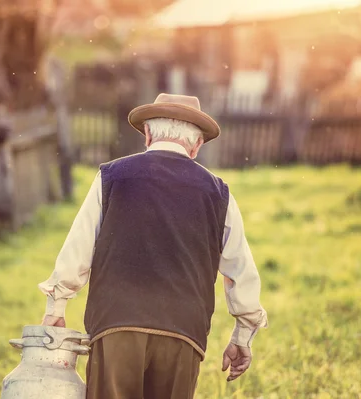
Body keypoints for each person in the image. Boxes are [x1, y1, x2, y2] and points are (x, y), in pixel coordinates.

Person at [39, 93, 268, 399]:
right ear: (197, 145)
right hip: (183, 330)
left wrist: (57, 305)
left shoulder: (112, 177)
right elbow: (240, 270)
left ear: (147, 135)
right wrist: (243, 333)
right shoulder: (218, 194)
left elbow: (79, 246)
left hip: (116, 322)